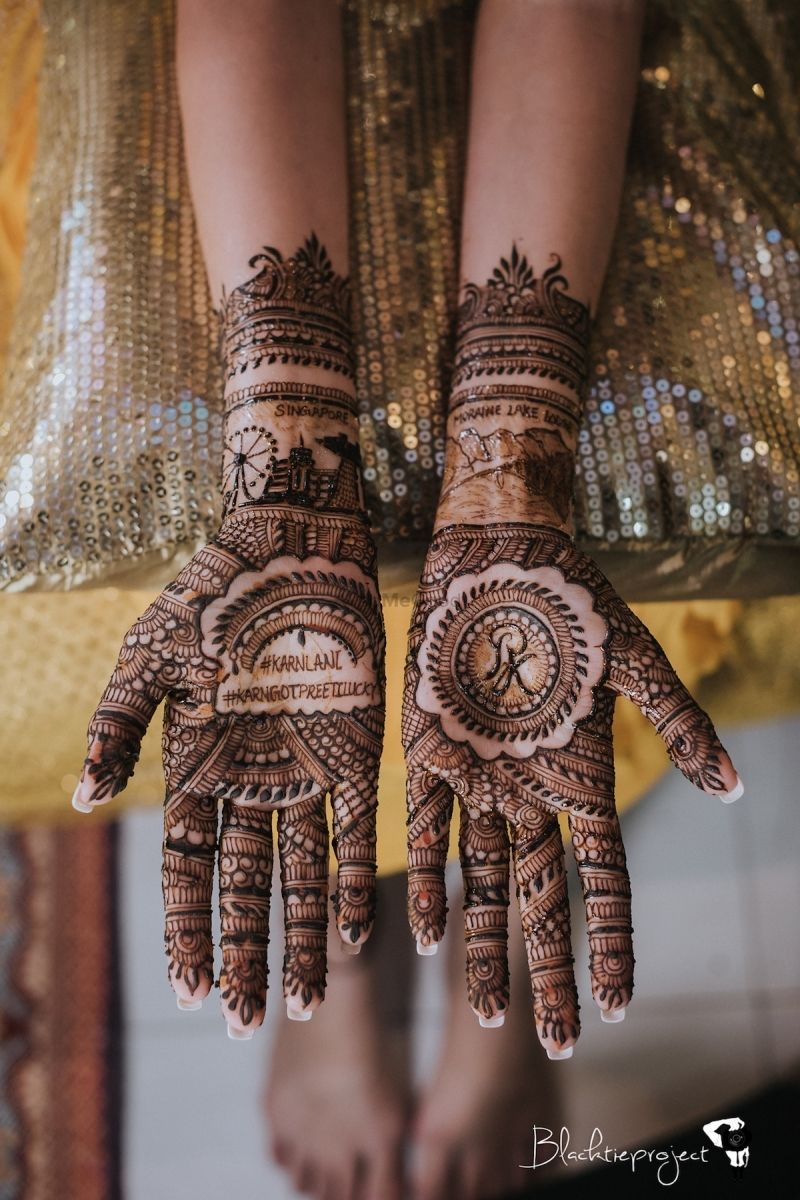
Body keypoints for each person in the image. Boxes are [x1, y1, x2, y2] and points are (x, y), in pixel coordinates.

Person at [69, 2, 743, 1197]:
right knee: (245, 658)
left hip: (563, 101)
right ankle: (332, 949)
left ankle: (410, 958)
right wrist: (284, 456)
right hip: (250, 113)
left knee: (539, 673)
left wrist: (508, 473)